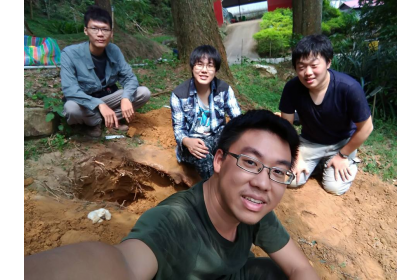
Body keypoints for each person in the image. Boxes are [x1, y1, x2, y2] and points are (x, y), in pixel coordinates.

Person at [24, 110, 320, 280]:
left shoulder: (255, 207)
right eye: (251, 163)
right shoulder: (172, 222)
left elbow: (299, 267)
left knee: (272, 272)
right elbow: (121, 263)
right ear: (218, 161)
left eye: (278, 172)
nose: (264, 183)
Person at [278, 34, 373, 195]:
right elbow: (286, 125)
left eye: (314, 65)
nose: (308, 72)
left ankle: (350, 160)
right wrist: (296, 155)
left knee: (334, 188)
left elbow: (366, 128)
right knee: (291, 180)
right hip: (309, 142)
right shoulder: (292, 88)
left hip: (341, 143)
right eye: (301, 67)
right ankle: (318, 163)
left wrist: (342, 155)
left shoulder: (348, 88)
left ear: (328, 62)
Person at [60, 5, 151, 137]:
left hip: (110, 98)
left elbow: (129, 78)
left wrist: (126, 98)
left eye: (105, 29)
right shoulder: (70, 54)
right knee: (71, 108)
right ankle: (95, 122)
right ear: (86, 30)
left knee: (143, 93)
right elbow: (70, 90)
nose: (100, 34)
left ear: (111, 32)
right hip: (85, 103)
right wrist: (99, 104)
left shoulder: (114, 50)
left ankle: (106, 119)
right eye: (94, 29)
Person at [170, 45, 241, 181]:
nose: (204, 70)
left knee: (234, 144)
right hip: (193, 140)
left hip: (217, 136)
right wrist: (187, 141)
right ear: (192, 67)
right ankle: (215, 193)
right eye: (199, 65)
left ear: (216, 69)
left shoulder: (224, 89)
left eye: (210, 66)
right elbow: (178, 129)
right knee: (204, 157)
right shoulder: (179, 94)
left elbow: (238, 119)